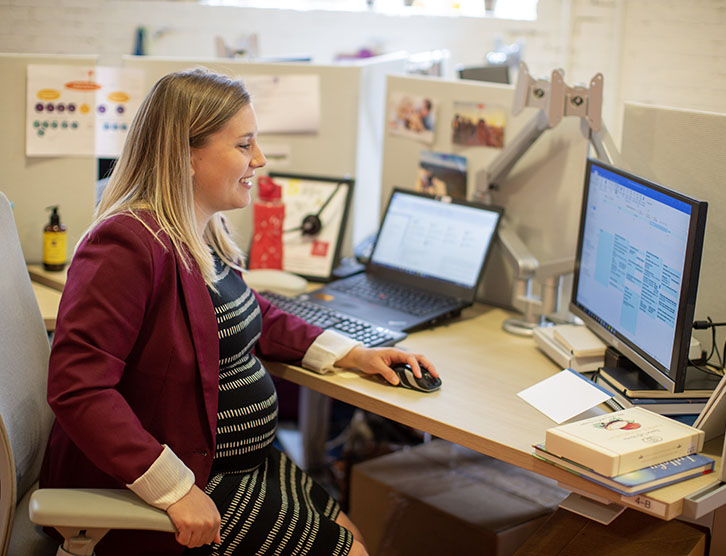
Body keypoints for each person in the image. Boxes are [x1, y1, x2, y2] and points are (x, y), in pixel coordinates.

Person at [39, 68, 438, 556]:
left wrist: (352, 353)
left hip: (242, 463)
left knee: (352, 538)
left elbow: (253, 315)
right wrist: (175, 489)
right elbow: (79, 388)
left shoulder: (199, 229)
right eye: (244, 145)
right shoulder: (126, 244)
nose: (261, 160)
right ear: (185, 155)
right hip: (175, 479)